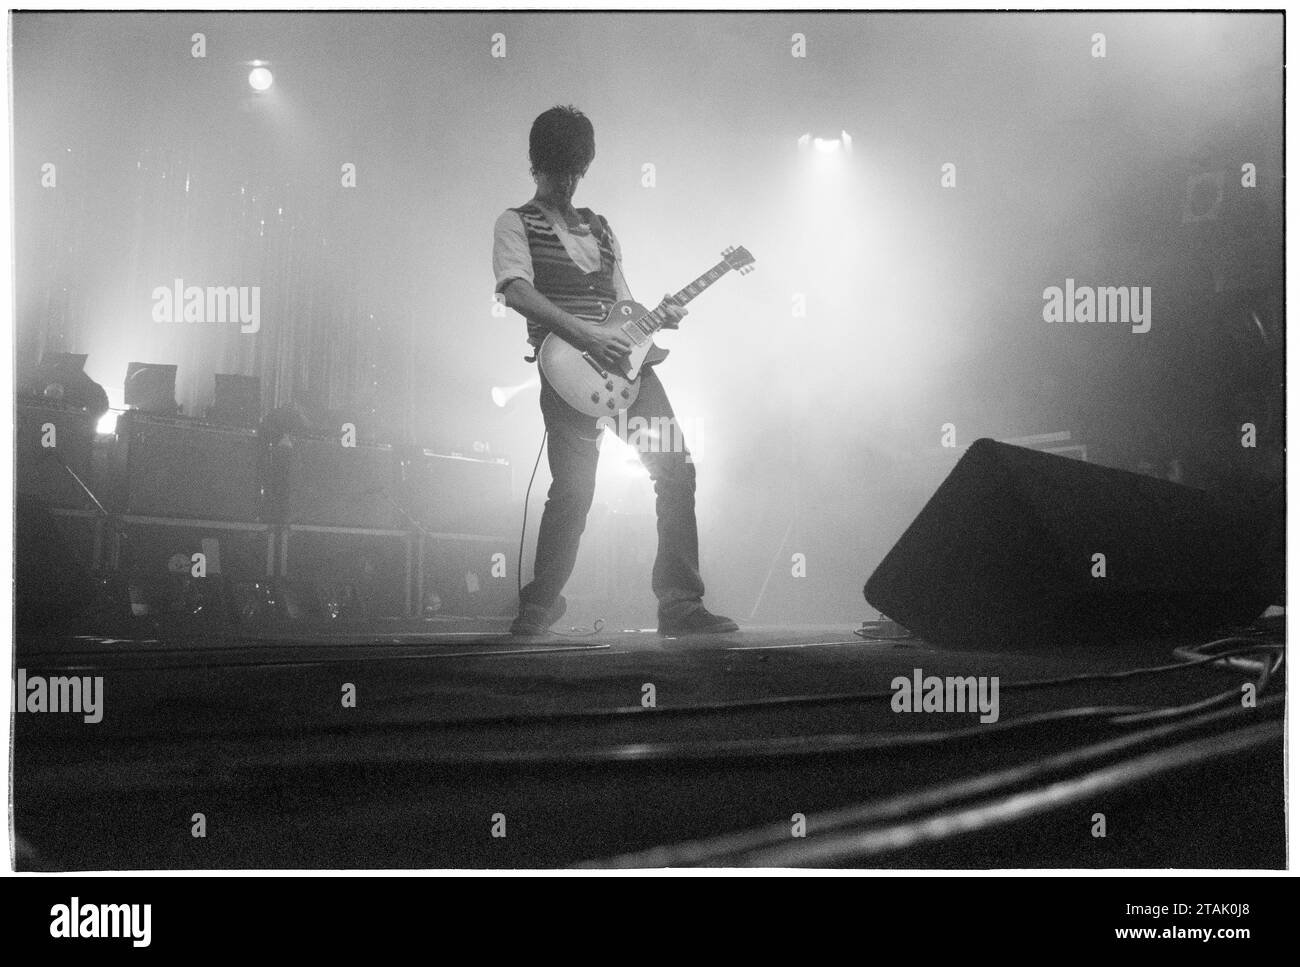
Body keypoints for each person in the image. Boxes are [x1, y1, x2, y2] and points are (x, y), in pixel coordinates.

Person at [492, 105, 738, 637]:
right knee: (574, 489)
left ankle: (680, 603)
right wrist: (586, 337)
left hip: (631, 372)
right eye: (559, 170)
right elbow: (516, 290)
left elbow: (624, 305)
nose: (568, 182)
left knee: (675, 468)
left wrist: (658, 322)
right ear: (537, 165)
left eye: (577, 170)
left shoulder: (601, 230)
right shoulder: (516, 222)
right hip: (567, 372)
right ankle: (539, 602)